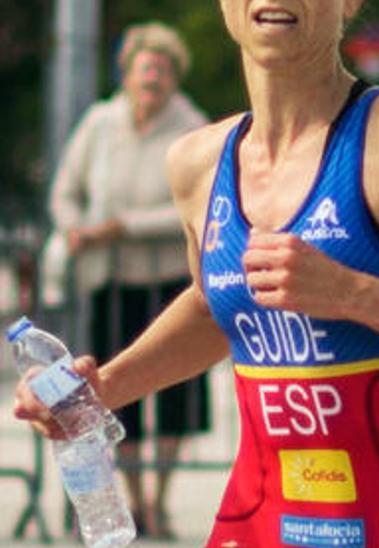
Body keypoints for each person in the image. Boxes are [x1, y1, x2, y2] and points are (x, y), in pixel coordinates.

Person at [14, 1, 379, 546]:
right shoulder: (197, 162)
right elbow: (220, 307)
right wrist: (103, 390)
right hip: (253, 526)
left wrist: (356, 293)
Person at [46, 21, 209, 540]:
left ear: (174, 77)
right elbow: (64, 190)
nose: (153, 79)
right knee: (118, 392)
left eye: (162, 71)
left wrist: (124, 228)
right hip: (109, 280)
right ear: (128, 73)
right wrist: (76, 229)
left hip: (170, 281)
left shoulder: (191, 125)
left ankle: (160, 496)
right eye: (146, 70)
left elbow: (196, 206)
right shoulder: (100, 122)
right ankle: (134, 499)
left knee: (177, 399)